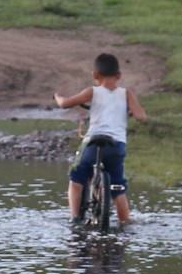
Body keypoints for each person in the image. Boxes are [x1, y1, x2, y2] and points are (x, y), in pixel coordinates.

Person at [54, 52, 145, 226]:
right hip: (116, 144)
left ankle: (74, 218)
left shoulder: (92, 92)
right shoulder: (127, 94)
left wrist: (59, 97)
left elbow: (65, 104)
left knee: (76, 178)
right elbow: (141, 116)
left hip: (93, 141)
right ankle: (125, 221)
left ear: (95, 75)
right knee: (117, 186)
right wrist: (131, 112)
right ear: (119, 75)